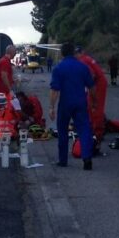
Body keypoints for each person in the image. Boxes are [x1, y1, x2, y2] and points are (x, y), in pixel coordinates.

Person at [49, 42, 95, 170]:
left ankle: (63, 160)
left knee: (63, 130)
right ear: (74, 52)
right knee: (84, 129)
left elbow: (54, 90)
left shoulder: (58, 68)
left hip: (65, 103)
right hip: (80, 102)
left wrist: (51, 107)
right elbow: (92, 87)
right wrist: (94, 103)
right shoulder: (83, 67)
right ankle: (87, 158)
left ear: (62, 53)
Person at [76, 46, 108, 152]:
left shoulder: (83, 60)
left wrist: (87, 87)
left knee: (95, 108)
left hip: (97, 85)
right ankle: (96, 130)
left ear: (79, 53)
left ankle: (97, 134)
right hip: (100, 84)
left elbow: (91, 75)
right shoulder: (87, 58)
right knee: (94, 108)